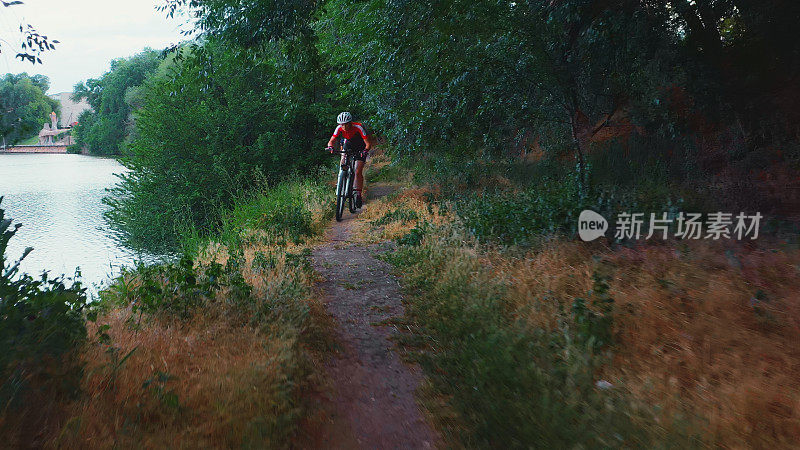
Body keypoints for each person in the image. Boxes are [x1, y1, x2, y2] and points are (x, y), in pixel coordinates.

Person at [326, 111, 371, 208]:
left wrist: (365, 150)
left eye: (346, 124)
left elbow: (367, 143)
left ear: (350, 122)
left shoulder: (358, 127)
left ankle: (358, 195)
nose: (344, 127)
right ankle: (341, 184)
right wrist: (330, 147)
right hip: (348, 145)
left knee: (358, 171)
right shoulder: (338, 128)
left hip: (360, 146)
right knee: (342, 163)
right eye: (342, 125)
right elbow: (331, 141)